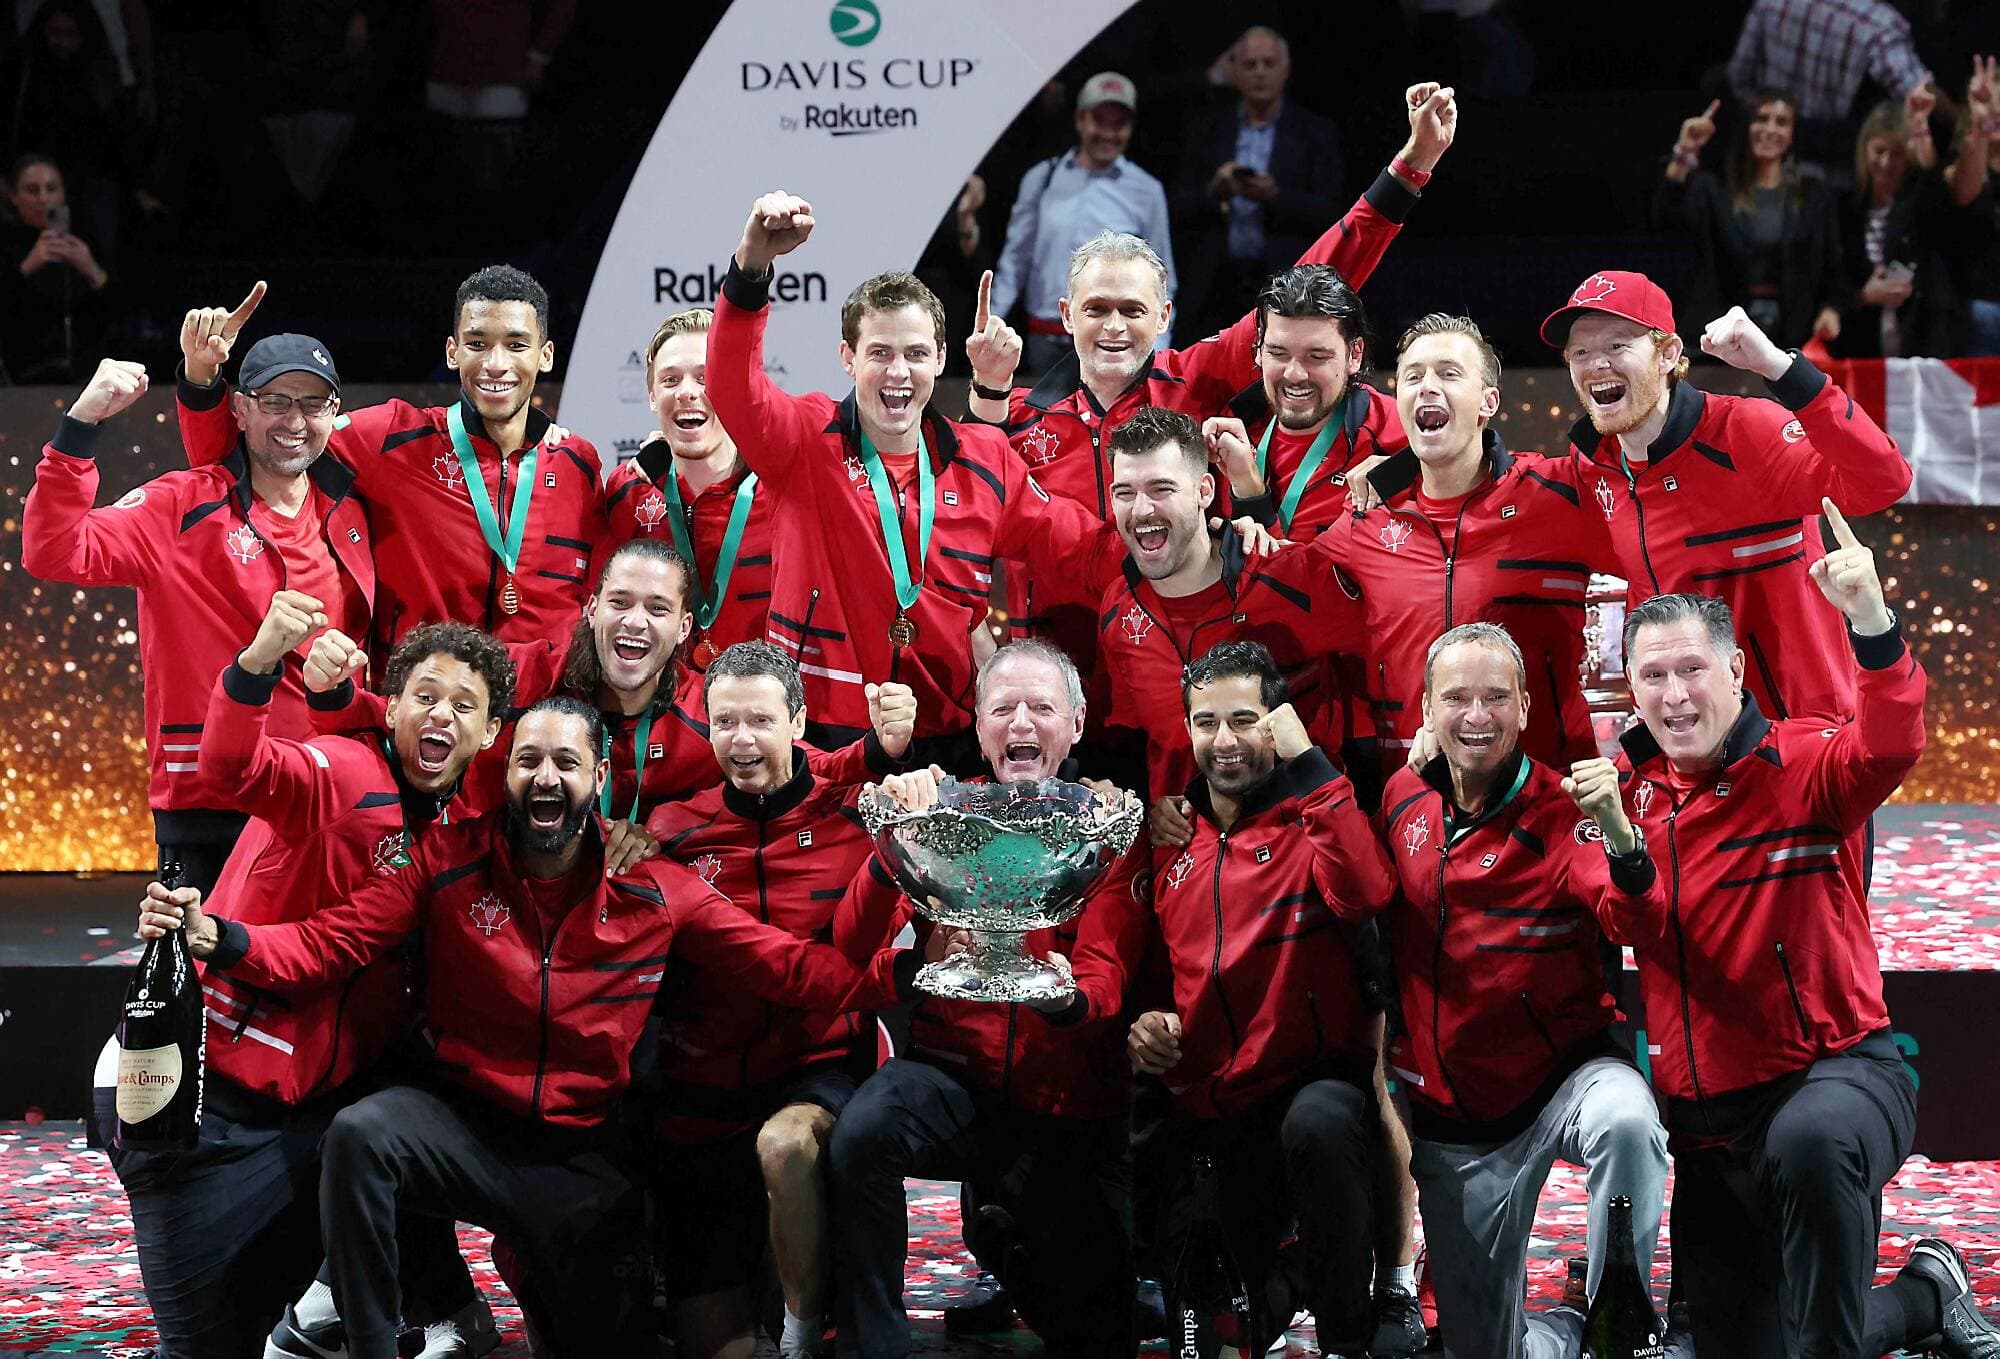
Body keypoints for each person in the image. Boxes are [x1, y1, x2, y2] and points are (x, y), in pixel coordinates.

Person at [139, 696, 917, 1359]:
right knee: (363, 1134)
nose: (546, 776)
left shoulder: (657, 888)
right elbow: (331, 941)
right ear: (505, 774)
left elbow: (790, 968)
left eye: (567, 763)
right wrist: (222, 937)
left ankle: (544, 1278)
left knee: (609, 1342)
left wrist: (903, 974)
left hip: (576, 1157)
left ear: (599, 778)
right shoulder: (444, 861)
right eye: (529, 760)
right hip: (464, 1129)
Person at [1613, 521, 2000, 1359]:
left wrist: (1871, 619)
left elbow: (1892, 739)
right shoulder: (1625, 801)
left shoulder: (1803, 762)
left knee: (1810, 1139)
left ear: (1735, 671)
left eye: (1692, 669)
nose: (1675, 695)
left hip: (1840, 1077)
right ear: (1631, 689)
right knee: (1774, 1342)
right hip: (1711, 1130)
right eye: (1654, 675)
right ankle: (1927, 1294)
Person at [106, 604, 511, 1359]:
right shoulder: (345, 772)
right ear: (393, 706)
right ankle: (333, 1305)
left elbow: (344, 945)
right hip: (206, 1100)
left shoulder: (453, 825)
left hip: (307, 1105)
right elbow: (235, 769)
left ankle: (405, 1306)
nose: (441, 715)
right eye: (425, 696)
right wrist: (258, 661)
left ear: (490, 733)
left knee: (406, 1120)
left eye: (464, 706)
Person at [966, 80, 1455, 681]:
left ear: (1164, 316)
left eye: (1133, 310)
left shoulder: (1196, 380)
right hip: (1058, 685)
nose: (1114, 327)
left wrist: (1410, 169)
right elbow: (967, 508)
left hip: (1189, 679)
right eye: (1096, 309)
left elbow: (1317, 277)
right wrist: (988, 390)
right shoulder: (1017, 415)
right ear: (1067, 315)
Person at [1057, 641, 1396, 1355]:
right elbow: (1149, 970)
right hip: (1212, 1110)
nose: (1224, 740)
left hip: (1308, 1086)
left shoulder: (1317, 813)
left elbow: (1367, 891)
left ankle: (1346, 1334)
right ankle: (1292, 1274)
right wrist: (1148, 1024)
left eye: (1244, 719)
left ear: (1277, 722)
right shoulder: (1169, 837)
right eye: (1206, 722)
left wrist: (1312, 765)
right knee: (1212, 1336)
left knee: (1321, 1127)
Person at [705, 190, 1124, 755]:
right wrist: (751, 267)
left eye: (916, 354)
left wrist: (1186, 544)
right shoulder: (803, 440)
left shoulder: (985, 460)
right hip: (823, 736)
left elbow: (1082, 550)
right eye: (880, 353)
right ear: (848, 358)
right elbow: (732, 385)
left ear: (941, 359)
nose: (898, 372)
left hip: (948, 737)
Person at [828, 639, 1147, 1359]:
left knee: (1096, 1336)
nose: (1021, 724)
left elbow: (1106, 973)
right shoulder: (942, 813)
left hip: (1067, 1106)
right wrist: (892, 841)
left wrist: (1062, 999)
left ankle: (1003, 1241)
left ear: (1077, 723)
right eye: (1003, 709)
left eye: (1041, 708)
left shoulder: (1108, 824)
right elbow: (851, 942)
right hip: (952, 1079)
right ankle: (872, 1346)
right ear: (978, 728)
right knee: (863, 1133)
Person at [1376, 621, 1670, 1359]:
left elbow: (1636, 919)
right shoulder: (1401, 798)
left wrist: (1622, 835)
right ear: (1426, 710)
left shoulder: (1565, 810)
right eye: (1456, 698)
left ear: (1527, 707)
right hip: (1459, 1115)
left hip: (1567, 1074)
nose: (1477, 716)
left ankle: (1617, 1322)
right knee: (1487, 1350)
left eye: (1496, 698)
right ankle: (1570, 1325)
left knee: (1627, 1121)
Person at [643, 643, 915, 1359]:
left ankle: (802, 1334)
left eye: (761, 720)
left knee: (786, 1145)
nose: (741, 740)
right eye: (724, 721)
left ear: (797, 721)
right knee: (718, 1345)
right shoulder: (671, 831)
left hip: (817, 1068)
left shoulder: (858, 817)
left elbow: (876, 945)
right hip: (702, 1094)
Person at [21, 342, 371, 894]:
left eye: (313, 403)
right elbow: (53, 550)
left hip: (317, 797)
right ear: (240, 409)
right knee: (199, 952)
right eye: (275, 401)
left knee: (317, 950)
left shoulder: (351, 511)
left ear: (334, 412)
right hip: (210, 804)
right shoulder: (180, 505)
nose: (294, 420)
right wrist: (81, 425)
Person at [175, 265, 609, 657]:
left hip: (547, 715)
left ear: (545, 356)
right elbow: (243, 460)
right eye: (477, 344)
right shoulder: (390, 439)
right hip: (424, 710)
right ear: (452, 352)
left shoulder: (577, 464)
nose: (496, 364)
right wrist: (201, 379)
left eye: (516, 345)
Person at [1544, 271, 1911, 725]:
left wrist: (1780, 368)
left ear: (1668, 354)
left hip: (1796, 737)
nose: (1597, 363)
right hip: (1683, 737)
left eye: (1617, 346)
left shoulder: (1747, 434)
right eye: (1580, 352)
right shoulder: (1593, 466)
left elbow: (1885, 480)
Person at [1326, 313, 1613, 785]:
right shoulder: (1366, 517)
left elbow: (1660, 532)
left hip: (1548, 792)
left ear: (1488, 402)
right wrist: (1249, 498)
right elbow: (1277, 587)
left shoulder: (1557, 495)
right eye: (1413, 376)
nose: (1427, 386)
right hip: (1414, 794)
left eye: (1449, 373)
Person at [1093, 405, 1365, 804]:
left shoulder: (1288, 579)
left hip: (1297, 834)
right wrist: (1155, 813)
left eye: (1161, 489)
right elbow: (1141, 743)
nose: (1142, 509)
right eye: (1125, 493)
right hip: (1183, 841)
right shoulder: (1117, 610)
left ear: (1204, 492)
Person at [604, 308, 775, 669]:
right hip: (660, 701)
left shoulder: (781, 495)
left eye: (705, 378)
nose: (686, 393)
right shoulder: (627, 493)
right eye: (670, 380)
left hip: (759, 701)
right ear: (652, 395)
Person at [988, 71, 1176, 374]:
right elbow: (1015, 259)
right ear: (1080, 120)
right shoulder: (1042, 179)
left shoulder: (1146, 190)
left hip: (1113, 339)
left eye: (1119, 123)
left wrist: (1158, 354)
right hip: (1045, 338)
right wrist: (990, 323)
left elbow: (1163, 278)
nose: (1108, 133)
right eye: (1099, 120)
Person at [1200, 262, 1404, 540]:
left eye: (1316, 357)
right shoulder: (1226, 430)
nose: (1294, 374)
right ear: (1259, 348)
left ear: (1354, 354)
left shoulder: (1399, 436)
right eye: (1278, 353)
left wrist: (1250, 496)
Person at [1171, 26, 1346, 342]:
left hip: (1286, 281)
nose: (1260, 73)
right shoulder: (1206, 129)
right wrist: (1214, 192)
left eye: (1269, 63)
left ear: (1286, 69)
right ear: (1235, 72)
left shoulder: (1315, 133)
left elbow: (1333, 214)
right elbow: (1176, 205)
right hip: (1214, 285)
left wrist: (1276, 196)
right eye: (1250, 65)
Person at [1655, 92, 1846, 352]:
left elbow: (1834, 266)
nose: (1770, 129)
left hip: (1792, 337)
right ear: (1747, 126)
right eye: (1761, 119)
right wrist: (1684, 151)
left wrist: (1831, 309)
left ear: (1792, 134)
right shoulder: (1714, 187)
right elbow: (1665, 217)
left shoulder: (1814, 195)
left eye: (1781, 122)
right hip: (1720, 334)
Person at [1727, 0, 1931, 185]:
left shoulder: (1769, 5)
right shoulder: (1877, 23)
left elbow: (1739, 78)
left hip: (1768, 165)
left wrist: (1771, 125)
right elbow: (1917, 97)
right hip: (1834, 177)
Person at [1834, 98, 1963, 358]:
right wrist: (1863, 296)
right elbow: (1832, 282)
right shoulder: (1844, 211)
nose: (1886, 162)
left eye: (1896, 153)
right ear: (1864, 149)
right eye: (1879, 151)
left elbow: (1942, 205)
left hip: (1922, 343)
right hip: (1862, 346)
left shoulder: (1921, 204)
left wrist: (1921, 133)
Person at [0, 151, 110, 381]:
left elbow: (116, 314)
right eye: (32, 190)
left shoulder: (83, 241)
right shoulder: (8, 246)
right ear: (14, 196)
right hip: (23, 375)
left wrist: (93, 271)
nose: (43, 199)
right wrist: (26, 267)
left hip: (88, 372)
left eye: (51, 189)